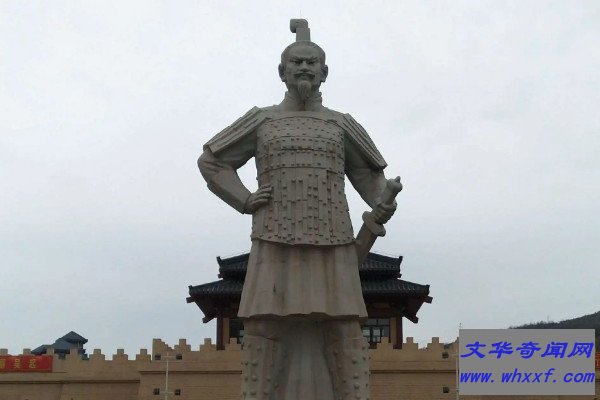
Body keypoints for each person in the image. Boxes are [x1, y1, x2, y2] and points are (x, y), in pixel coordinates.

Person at [198, 20, 396, 400]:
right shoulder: (262, 120)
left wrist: (383, 200)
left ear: (324, 71)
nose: (304, 68)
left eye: (311, 62)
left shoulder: (341, 125)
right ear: (282, 71)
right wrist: (244, 199)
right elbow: (211, 162)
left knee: (344, 328)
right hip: (273, 236)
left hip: (335, 239)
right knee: (263, 327)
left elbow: (368, 177)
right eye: (297, 62)